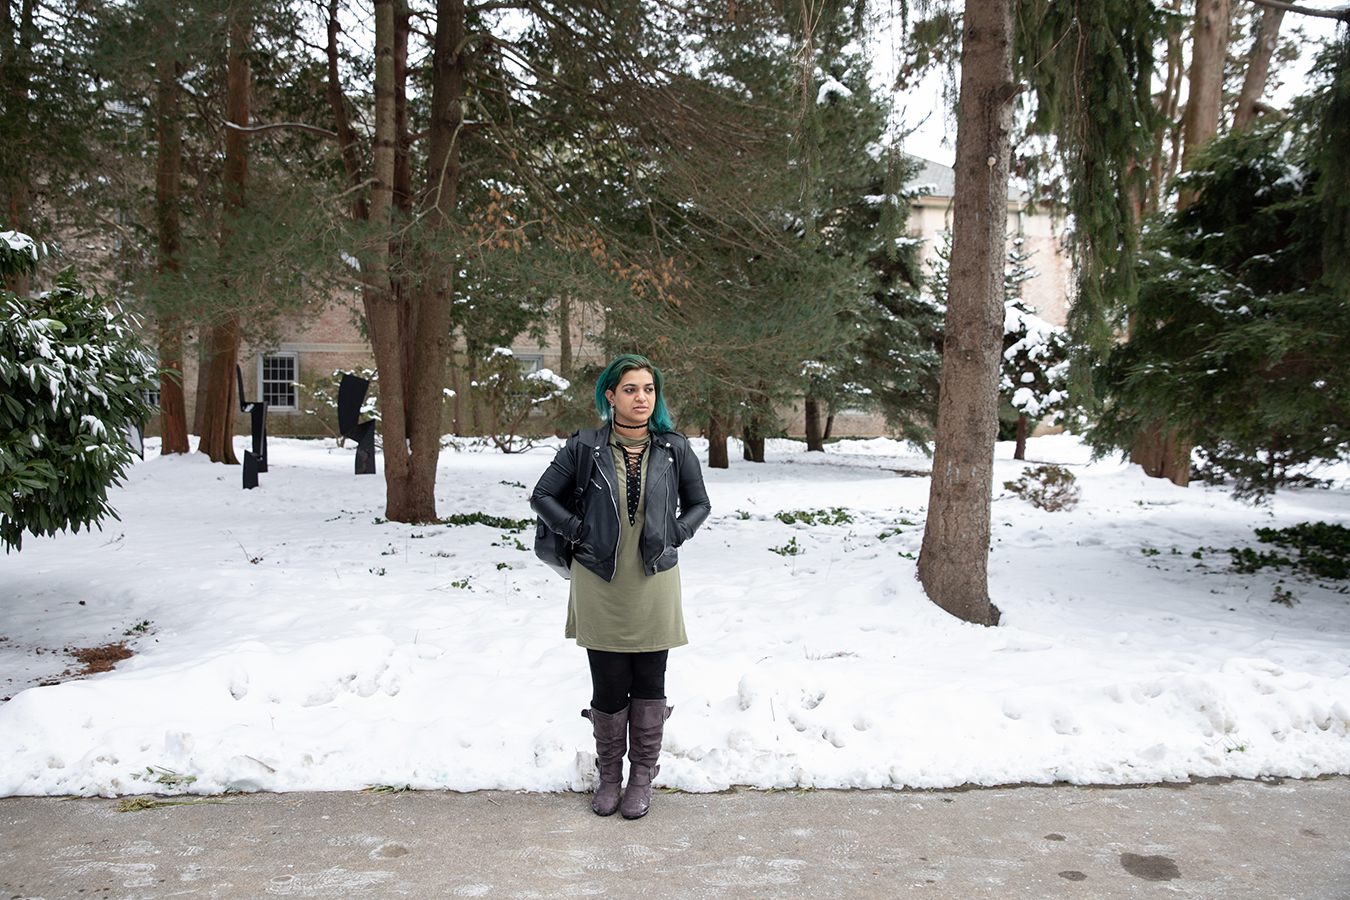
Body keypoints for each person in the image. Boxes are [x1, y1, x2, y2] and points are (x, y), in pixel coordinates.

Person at [530, 354, 710, 819]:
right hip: (600, 580)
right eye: (630, 389)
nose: (641, 398)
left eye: (648, 389)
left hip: (654, 578)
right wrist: (578, 531)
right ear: (610, 396)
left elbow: (699, 503)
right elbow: (542, 495)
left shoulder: (674, 448)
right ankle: (609, 776)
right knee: (608, 683)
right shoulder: (584, 447)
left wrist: (676, 533)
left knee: (650, 680)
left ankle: (641, 779)